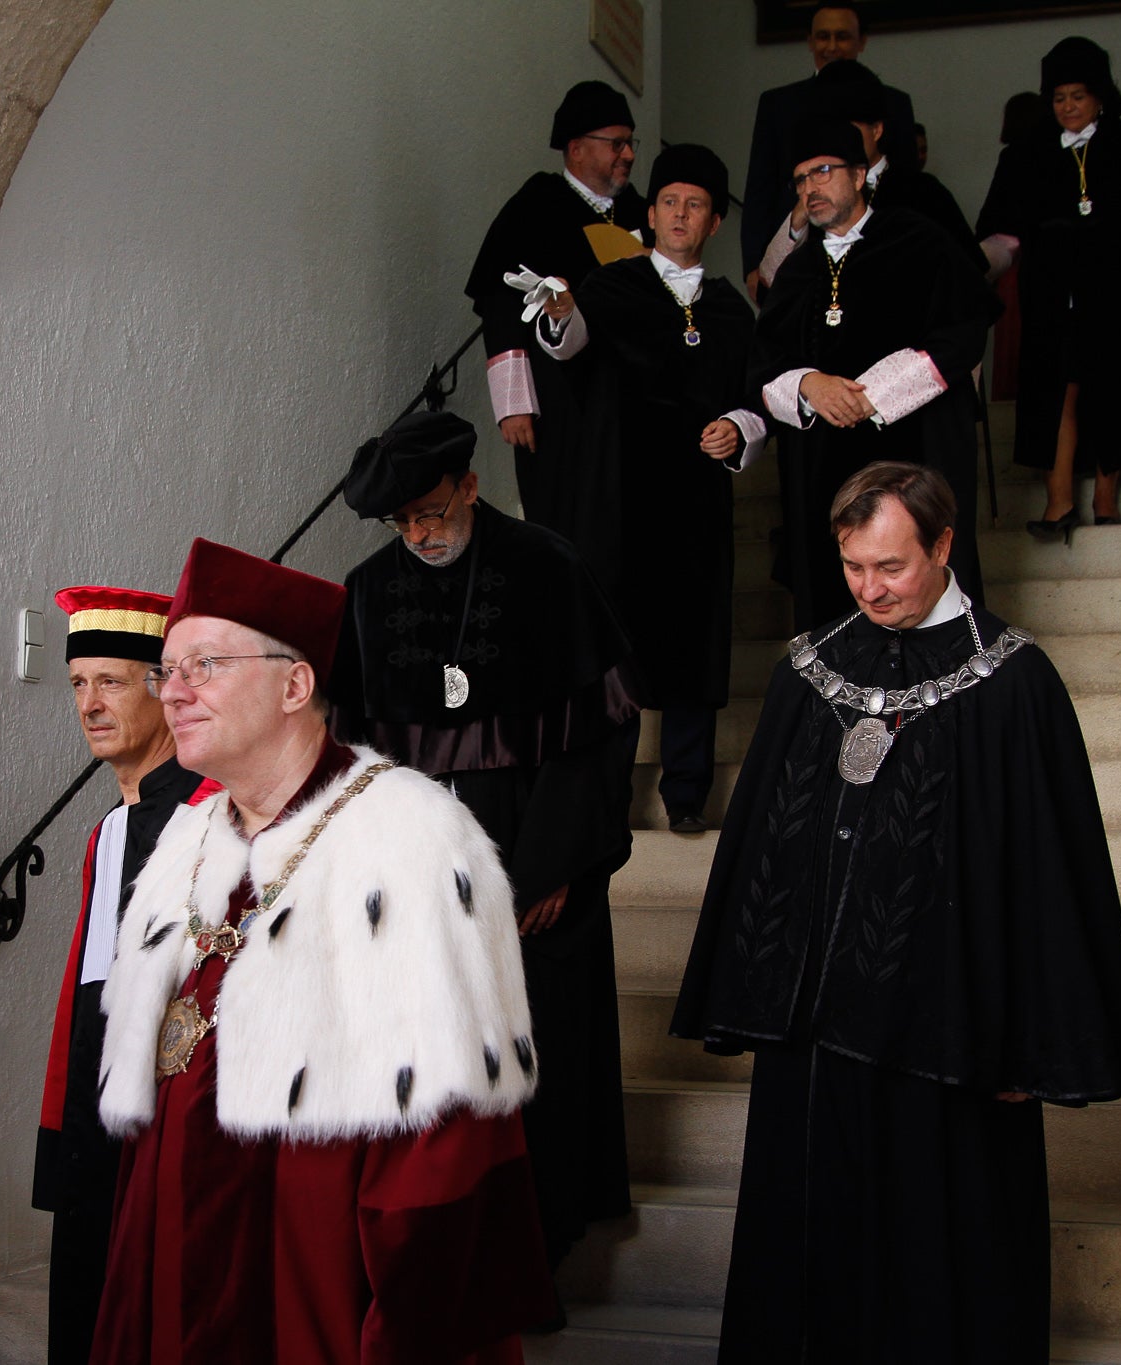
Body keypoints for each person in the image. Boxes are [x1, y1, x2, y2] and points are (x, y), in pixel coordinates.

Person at [671, 462, 1121, 1362]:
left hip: (953, 1034)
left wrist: (1032, 1041)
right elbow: (763, 849)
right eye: (854, 566)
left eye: (890, 565)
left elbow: (1055, 873)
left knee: (941, 1260)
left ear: (943, 544)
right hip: (816, 1039)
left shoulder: (1016, 684)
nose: (871, 588)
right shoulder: (809, 673)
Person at [90, 538, 554, 1363]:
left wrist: (400, 1328)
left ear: (295, 684)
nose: (175, 693)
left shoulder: (409, 838)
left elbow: (446, 1139)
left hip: (314, 1283)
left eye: (203, 664)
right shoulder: (186, 842)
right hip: (177, 1261)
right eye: (169, 671)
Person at [328, 409, 640, 1278]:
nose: (421, 534)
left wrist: (549, 869)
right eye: (404, 522)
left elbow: (600, 731)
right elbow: (353, 755)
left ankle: (540, 1253)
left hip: (537, 856)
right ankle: (446, 1260)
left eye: (434, 511)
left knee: (540, 1059)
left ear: (471, 486)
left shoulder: (549, 567)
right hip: (421, 877)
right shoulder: (367, 591)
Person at [535, 144, 765, 832]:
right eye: (668, 202)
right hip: (621, 495)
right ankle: (610, 796)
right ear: (651, 211)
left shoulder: (730, 311)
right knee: (621, 642)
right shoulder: (612, 287)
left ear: (715, 221)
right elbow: (568, 343)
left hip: (696, 500)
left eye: (694, 204)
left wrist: (737, 426)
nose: (679, 214)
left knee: (694, 639)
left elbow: (755, 395)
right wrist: (558, 312)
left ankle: (687, 793)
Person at [32, 585, 214, 1365]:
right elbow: (86, 997)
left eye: (110, 681)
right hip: (97, 1126)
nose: (89, 703)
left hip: (175, 1128)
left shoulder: (215, 818)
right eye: (78, 684)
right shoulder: (105, 833)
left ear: (163, 689)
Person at [748, 119, 1000, 634]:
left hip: (913, 450)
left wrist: (874, 395)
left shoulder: (919, 240)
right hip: (823, 468)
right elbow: (762, 365)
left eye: (821, 172)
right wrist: (808, 385)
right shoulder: (797, 271)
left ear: (860, 174)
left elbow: (964, 333)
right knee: (832, 607)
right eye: (799, 180)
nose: (809, 189)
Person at [975, 37, 1121, 539]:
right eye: (1058, 98)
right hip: (1050, 295)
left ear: (1100, 96)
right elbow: (1003, 234)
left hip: (1115, 292)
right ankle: (1058, 503)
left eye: (1078, 95)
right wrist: (974, 276)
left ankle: (1104, 497)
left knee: (1108, 390)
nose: (1068, 107)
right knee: (1059, 393)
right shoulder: (1027, 154)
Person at [464, 80, 651, 533]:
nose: (627, 154)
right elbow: (499, 301)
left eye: (631, 143)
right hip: (557, 402)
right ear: (575, 149)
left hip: (630, 402)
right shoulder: (536, 206)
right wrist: (514, 403)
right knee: (564, 519)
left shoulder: (644, 212)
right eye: (616, 143)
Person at [741, 2, 916, 300]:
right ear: (809, 41)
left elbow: (907, 179)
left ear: (861, 41)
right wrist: (753, 266)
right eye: (823, 36)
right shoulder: (779, 104)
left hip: (878, 257)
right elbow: (760, 189)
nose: (832, 46)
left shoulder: (894, 103)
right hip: (799, 254)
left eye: (843, 36)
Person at [753, 61, 985, 284]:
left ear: (876, 130)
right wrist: (798, 219)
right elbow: (770, 282)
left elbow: (968, 279)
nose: (837, 140)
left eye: (848, 128)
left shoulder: (923, 192)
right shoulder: (812, 192)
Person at [987, 92, 1056, 403]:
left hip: (1014, 269)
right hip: (1050, 267)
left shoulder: (1012, 157)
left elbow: (992, 220)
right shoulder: (1056, 157)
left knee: (1015, 344)